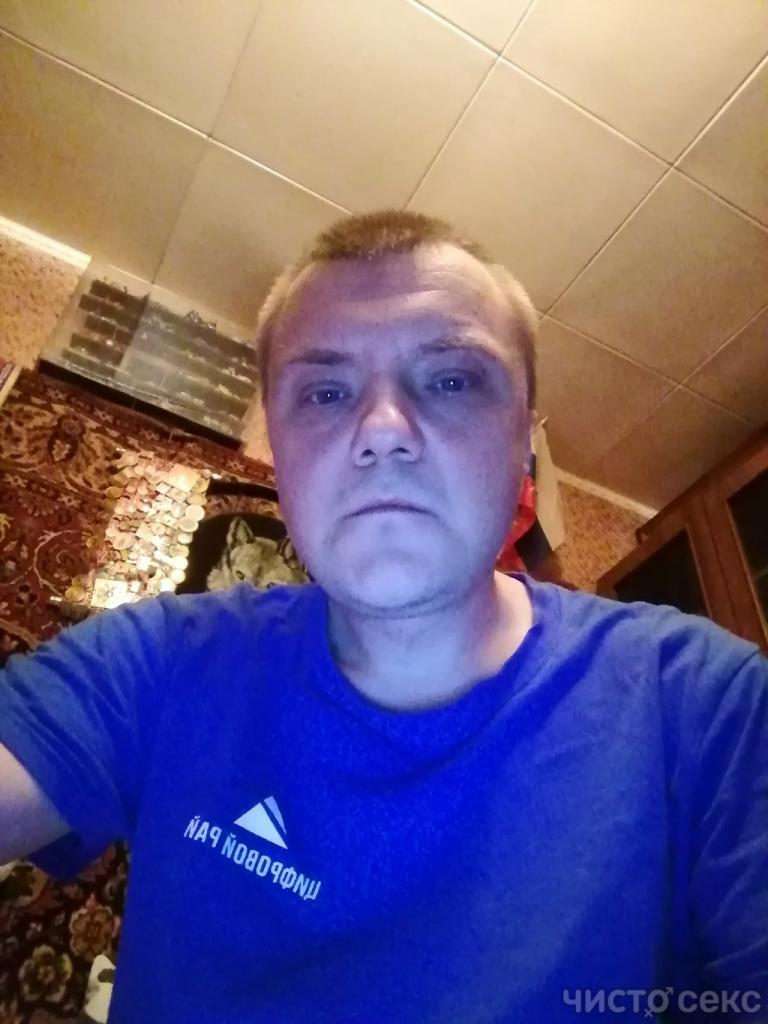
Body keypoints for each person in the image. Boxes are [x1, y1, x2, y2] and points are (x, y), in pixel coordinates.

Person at [0, 210, 766, 1024]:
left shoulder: (702, 707)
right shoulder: (159, 660)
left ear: (525, 445)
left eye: (451, 380)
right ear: (279, 453)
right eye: (326, 392)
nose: (383, 432)